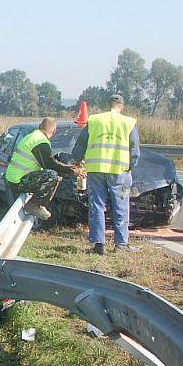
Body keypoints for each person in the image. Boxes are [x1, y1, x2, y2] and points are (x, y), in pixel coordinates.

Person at [72, 94, 140, 255]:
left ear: (108, 104)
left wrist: (76, 160)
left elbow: (81, 144)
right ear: (122, 106)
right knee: (121, 206)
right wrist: (131, 166)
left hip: (96, 169)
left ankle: (98, 244)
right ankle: (121, 244)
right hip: (119, 170)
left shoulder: (95, 120)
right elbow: (134, 149)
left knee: (96, 205)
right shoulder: (129, 123)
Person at [4, 117, 80, 220]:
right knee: (52, 175)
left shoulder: (32, 136)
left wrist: (67, 167)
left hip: (13, 178)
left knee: (53, 174)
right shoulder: (40, 141)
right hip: (18, 181)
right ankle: (34, 205)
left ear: (40, 126)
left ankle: (36, 204)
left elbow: (48, 160)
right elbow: (49, 164)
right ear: (54, 130)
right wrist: (72, 172)